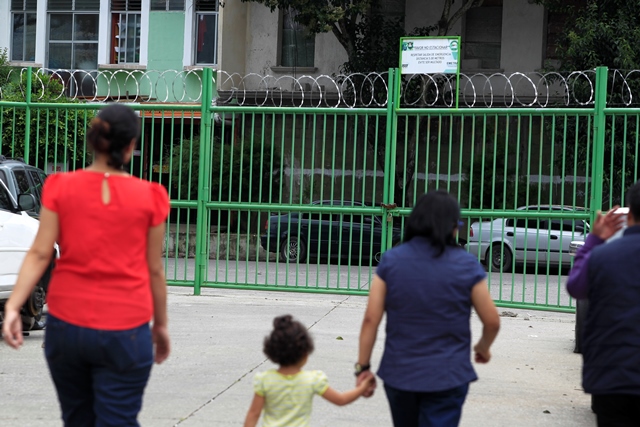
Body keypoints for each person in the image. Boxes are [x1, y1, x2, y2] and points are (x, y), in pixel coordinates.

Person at [2, 103, 171, 427]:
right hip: (126, 329)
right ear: (131, 144)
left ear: (93, 141)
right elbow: (154, 270)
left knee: (77, 419)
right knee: (118, 419)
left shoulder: (60, 186)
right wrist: (160, 326)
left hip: (68, 328)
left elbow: (40, 253)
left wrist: (13, 307)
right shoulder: (151, 196)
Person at [356, 190, 500, 427]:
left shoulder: (391, 260)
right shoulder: (466, 265)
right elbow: (492, 321)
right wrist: (483, 347)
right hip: (448, 376)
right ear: (452, 227)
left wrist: (363, 367)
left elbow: (371, 319)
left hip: (400, 374)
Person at [566, 182, 640, 426]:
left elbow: (575, 287)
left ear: (629, 215)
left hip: (612, 380)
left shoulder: (602, 257)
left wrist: (594, 240)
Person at [244, 315, 374, 427]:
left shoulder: (265, 380)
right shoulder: (313, 380)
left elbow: (253, 414)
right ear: (305, 353)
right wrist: (363, 387)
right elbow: (341, 399)